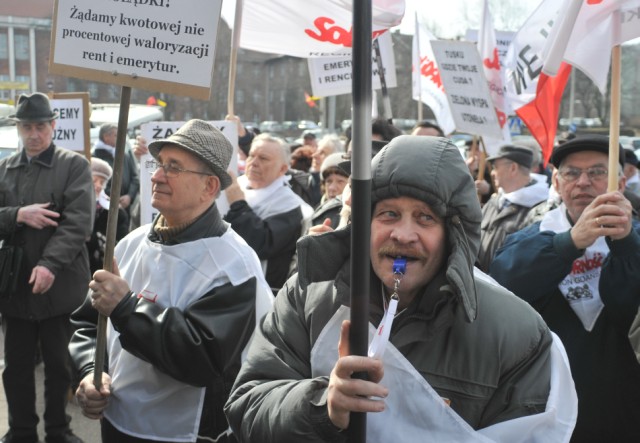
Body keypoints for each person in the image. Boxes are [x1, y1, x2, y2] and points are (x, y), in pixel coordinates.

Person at [225, 135, 576, 442]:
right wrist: (323, 405)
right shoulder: (309, 295)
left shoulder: (517, 332)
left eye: (425, 218)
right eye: (389, 214)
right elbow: (248, 405)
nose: (403, 235)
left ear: (454, 234)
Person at [69, 119, 273, 442]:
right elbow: (88, 324)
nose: (156, 175)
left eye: (174, 168)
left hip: (186, 434)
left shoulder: (234, 264)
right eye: (159, 164)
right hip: (117, 423)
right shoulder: (129, 244)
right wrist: (90, 372)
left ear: (209, 187)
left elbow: (201, 359)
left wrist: (126, 308)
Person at [490, 135, 640, 442]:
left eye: (598, 172)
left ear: (621, 184)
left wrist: (626, 245)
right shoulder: (536, 235)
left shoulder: (634, 239)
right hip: (548, 410)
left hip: (625, 409)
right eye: (572, 173)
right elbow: (504, 278)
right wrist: (570, 243)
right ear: (557, 183)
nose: (583, 182)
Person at [0, 92, 93, 443]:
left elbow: (78, 224)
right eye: (26, 127)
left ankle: (58, 430)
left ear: (54, 126)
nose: (33, 133)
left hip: (61, 287)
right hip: (16, 286)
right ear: (18, 129)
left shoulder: (74, 166)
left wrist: (50, 265)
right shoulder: (5, 169)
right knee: (17, 367)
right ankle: (21, 430)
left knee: (59, 366)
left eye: (40, 126)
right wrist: (17, 215)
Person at [217, 133, 313, 292]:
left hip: (258, 294)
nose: (253, 163)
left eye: (263, 158)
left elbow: (260, 243)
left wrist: (238, 205)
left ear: (282, 169)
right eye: (251, 156)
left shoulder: (293, 207)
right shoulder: (234, 186)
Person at [477, 144, 548, 272]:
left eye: (495, 167)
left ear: (513, 168)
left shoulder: (540, 209)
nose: (492, 173)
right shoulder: (495, 201)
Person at [86, 157, 129, 274]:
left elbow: (122, 246)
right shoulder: (72, 208)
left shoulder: (116, 212)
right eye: (94, 181)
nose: (98, 186)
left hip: (103, 272)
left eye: (102, 182)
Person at [92, 123, 140, 221]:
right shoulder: (95, 157)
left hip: (126, 208)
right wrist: (114, 199)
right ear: (106, 137)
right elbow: (95, 183)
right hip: (104, 211)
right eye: (116, 135)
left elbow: (135, 178)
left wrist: (129, 196)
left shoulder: (124, 155)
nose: (120, 138)